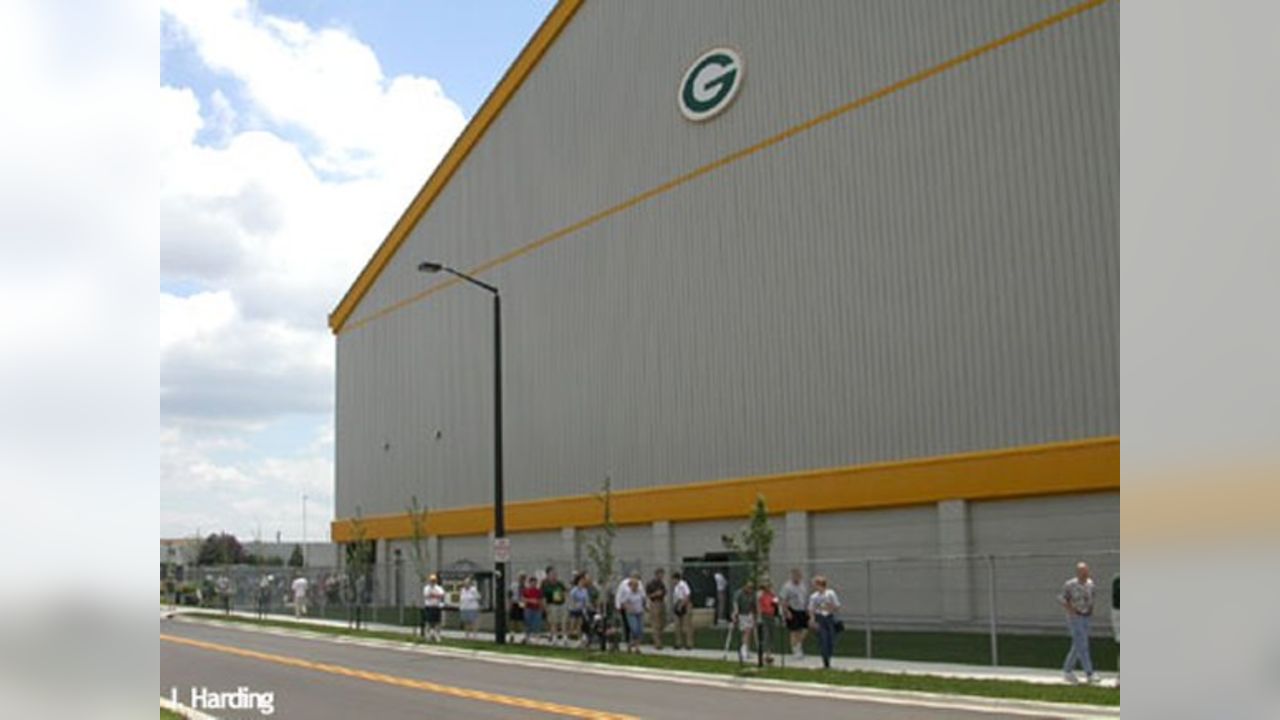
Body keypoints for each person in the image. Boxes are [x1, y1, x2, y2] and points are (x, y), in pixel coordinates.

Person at [1059, 561, 1098, 684]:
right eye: (1082, 572)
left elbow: (1092, 598)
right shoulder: (1070, 584)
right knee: (1083, 645)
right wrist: (1071, 611)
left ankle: (1067, 670)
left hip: (1086, 617)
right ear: (1077, 573)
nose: (1085, 574)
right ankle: (1089, 673)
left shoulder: (1090, 584)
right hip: (1075, 617)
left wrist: (1091, 610)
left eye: (1086, 571)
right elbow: (1063, 599)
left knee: (1077, 646)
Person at [807, 575, 841, 669]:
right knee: (823, 640)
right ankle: (825, 661)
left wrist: (829, 607)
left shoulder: (830, 593)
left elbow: (837, 606)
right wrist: (812, 619)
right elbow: (811, 609)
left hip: (829, 618)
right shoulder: (814, 596)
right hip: (820, 618)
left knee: (831, 640)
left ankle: (829, 656)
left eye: (816, 584)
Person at [779, 568, 809, 659]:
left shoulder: (802, 585)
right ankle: (795, 651)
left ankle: (798, 645)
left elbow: (805, 597)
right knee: (794, 631)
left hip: (802, 609)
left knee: (804, 630)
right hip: (792, 610)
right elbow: (783, 600)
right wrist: (787, 611)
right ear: (792, 576)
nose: (798, 577)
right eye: (795, 576)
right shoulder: (787, 586)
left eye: (799, 576)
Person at [616, 575, 648, 653]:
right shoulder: (628, 593)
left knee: (640, 630)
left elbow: (643, 600)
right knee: (634, 629)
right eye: (634, 585)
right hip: (631, 614)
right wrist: (628, 608)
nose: (636, 587)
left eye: (637, 585)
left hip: (639, 612)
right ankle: (631, 644)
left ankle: (636, 647)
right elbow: (623, 602)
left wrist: (646, 607)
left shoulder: (640, 592)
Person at [541, 566, 568, 646]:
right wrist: (545, 607)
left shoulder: (559, 583)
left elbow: (565, 591)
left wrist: (565, 600)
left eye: (555, 574)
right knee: (553, 622)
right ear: (548, 575)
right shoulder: (545, 584)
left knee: (563, 621)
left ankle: (564, 637)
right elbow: (543, 596)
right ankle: (554, 637)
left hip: (561, 604)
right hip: (552, 604)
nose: (554, 575)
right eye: (552, 573)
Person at [731, 579, 757, 662]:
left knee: (749, 633)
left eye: (751, 587)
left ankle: (747, 650)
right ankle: (744, 650)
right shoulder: (739, 593)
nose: (750, 589)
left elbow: (754, 605)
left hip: (749, 614)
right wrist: (735, 613)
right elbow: (735, 603)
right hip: (741, 614)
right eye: (749, 587)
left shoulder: (753, 594)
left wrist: (755, 615)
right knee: (746, 631)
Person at [670, 571, 694, 650]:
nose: (672, 581)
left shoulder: (683, 585)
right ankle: (678, 643)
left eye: (673, 579)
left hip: (685, 604)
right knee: (677, 625)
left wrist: (682, 605)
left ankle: (689, 643)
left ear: (676, 579)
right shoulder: (676, 587)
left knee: (687, 625)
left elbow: (687, 595)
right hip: (677, 604)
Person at [645, 569, 668, 650]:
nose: (662, 576)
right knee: (655, 623)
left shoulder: (662, 584)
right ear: (657, 574)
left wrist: (663, 593)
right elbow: (648, 595)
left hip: (662, 602)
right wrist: (655, 594)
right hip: (655, 603)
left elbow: (665, 592)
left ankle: (657, 639)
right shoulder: (651, 584)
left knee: (662, 622)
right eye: (660, 574)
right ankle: (657, 643)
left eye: (663, 574)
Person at [757, 578, 778, 665]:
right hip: (764, 615)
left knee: (772, 634)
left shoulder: (772, 595)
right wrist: (759, 616)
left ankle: (770, 653)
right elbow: (759, 606)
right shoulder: (761, 595)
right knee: (766, 635)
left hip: (771, 616)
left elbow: (775, 604)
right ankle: (766, 654)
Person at [568, 573, 591, 646]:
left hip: (581, 609)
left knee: (579, 624)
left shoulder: (584, 590)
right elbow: (571, 600)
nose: (582, 582)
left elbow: (586, 600)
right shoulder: (574, 590)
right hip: (574, 609)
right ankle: (570, 638)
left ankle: (579, 639)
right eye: (581, 581)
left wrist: (587, 606)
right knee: (572, 624)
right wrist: (574, 605)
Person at [422, 573, 446, 642]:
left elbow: (441, 595)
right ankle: (427, 636)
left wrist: (434, 595)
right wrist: (435, 595)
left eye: (434, 580)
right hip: (429, 607)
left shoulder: (439, 588)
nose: (432, 582)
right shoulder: (426, 588)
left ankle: (437, 636)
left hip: (436, 607)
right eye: (431, 580)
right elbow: (427, 596)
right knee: (428, 622)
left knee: (437, 622)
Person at [521, 575, 545, 643]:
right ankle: (527, 637)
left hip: (537, 609)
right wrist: (531, 600)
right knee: (527, 623)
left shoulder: (538, 591)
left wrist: (541, 607)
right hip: (528, 609)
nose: (534, 584)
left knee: (537, 623)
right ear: (530, 583)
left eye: (535, 582)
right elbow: (523, 599)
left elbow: (541, 599)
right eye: (532, 582)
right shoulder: (526, 591)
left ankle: (537, 638)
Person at [508, 572, 526, 643]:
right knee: (512, 620)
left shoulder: (525, 586)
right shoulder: (513, 585)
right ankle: (512, 635)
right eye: (521, 577)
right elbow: (509, 594)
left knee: (521, 620)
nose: (522, 579)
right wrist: (510, 603)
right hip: (514, 602)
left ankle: (522, 636)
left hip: (521, 603)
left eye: (523, 578)